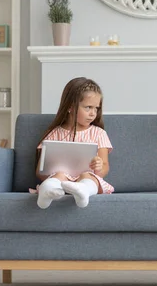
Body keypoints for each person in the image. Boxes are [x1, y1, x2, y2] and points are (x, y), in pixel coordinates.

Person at [34, 77, 114, 209]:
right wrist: (50, 172)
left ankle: (82, 191)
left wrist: (99, 166)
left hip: (87, 180)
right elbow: (39, 172)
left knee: (88, 176)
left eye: (96, 108)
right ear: (71, 107)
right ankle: (47, 193)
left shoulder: (99, 133)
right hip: (60, 184)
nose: (93, 113)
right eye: (88, 107)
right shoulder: (54, 134)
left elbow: (105, 166)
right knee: (59, 175)